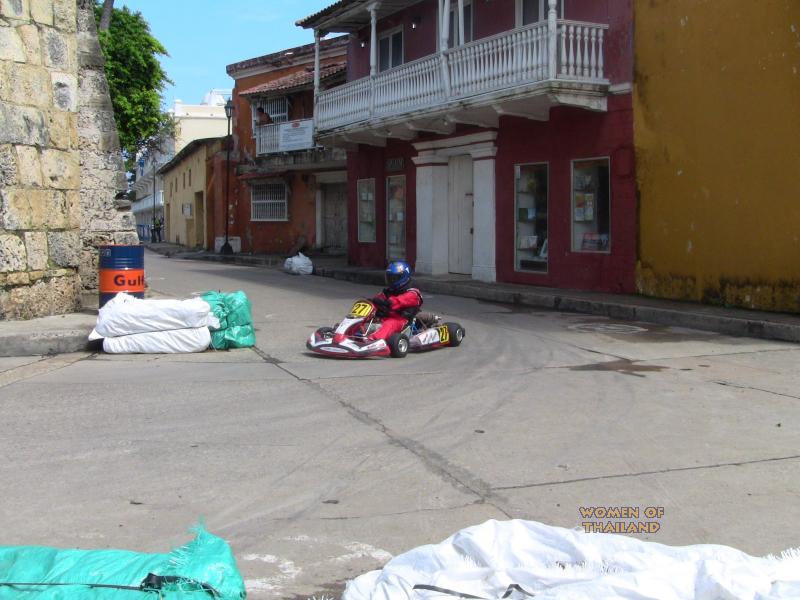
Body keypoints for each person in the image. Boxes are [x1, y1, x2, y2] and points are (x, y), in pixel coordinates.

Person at [367, 261, 423, 341]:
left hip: (401, 320)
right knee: (366, 319)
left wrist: (390, 302)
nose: (391, 281)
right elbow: (379, 298)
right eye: (389, 278)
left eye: (394, 278)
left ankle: (374, 340)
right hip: (386, 317)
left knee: (389, 324)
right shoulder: (389, 291)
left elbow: (403, 299)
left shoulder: (413, 292)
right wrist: (371, 302)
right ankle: (349, 333)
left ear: (403, 277)